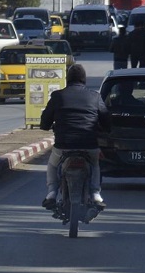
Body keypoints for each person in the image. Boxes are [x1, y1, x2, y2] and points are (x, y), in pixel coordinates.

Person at [40, 63, 111, 210]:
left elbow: (45, 122)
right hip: (89, 144)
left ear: (67, 79)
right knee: (95, 164)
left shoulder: (57, 96)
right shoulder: (95, 96)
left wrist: (47, 125)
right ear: (84, 79)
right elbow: (106, 119)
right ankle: (96, 194)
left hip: (63, 145)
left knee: (52, 165)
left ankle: (51, 193)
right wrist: (105, 129)